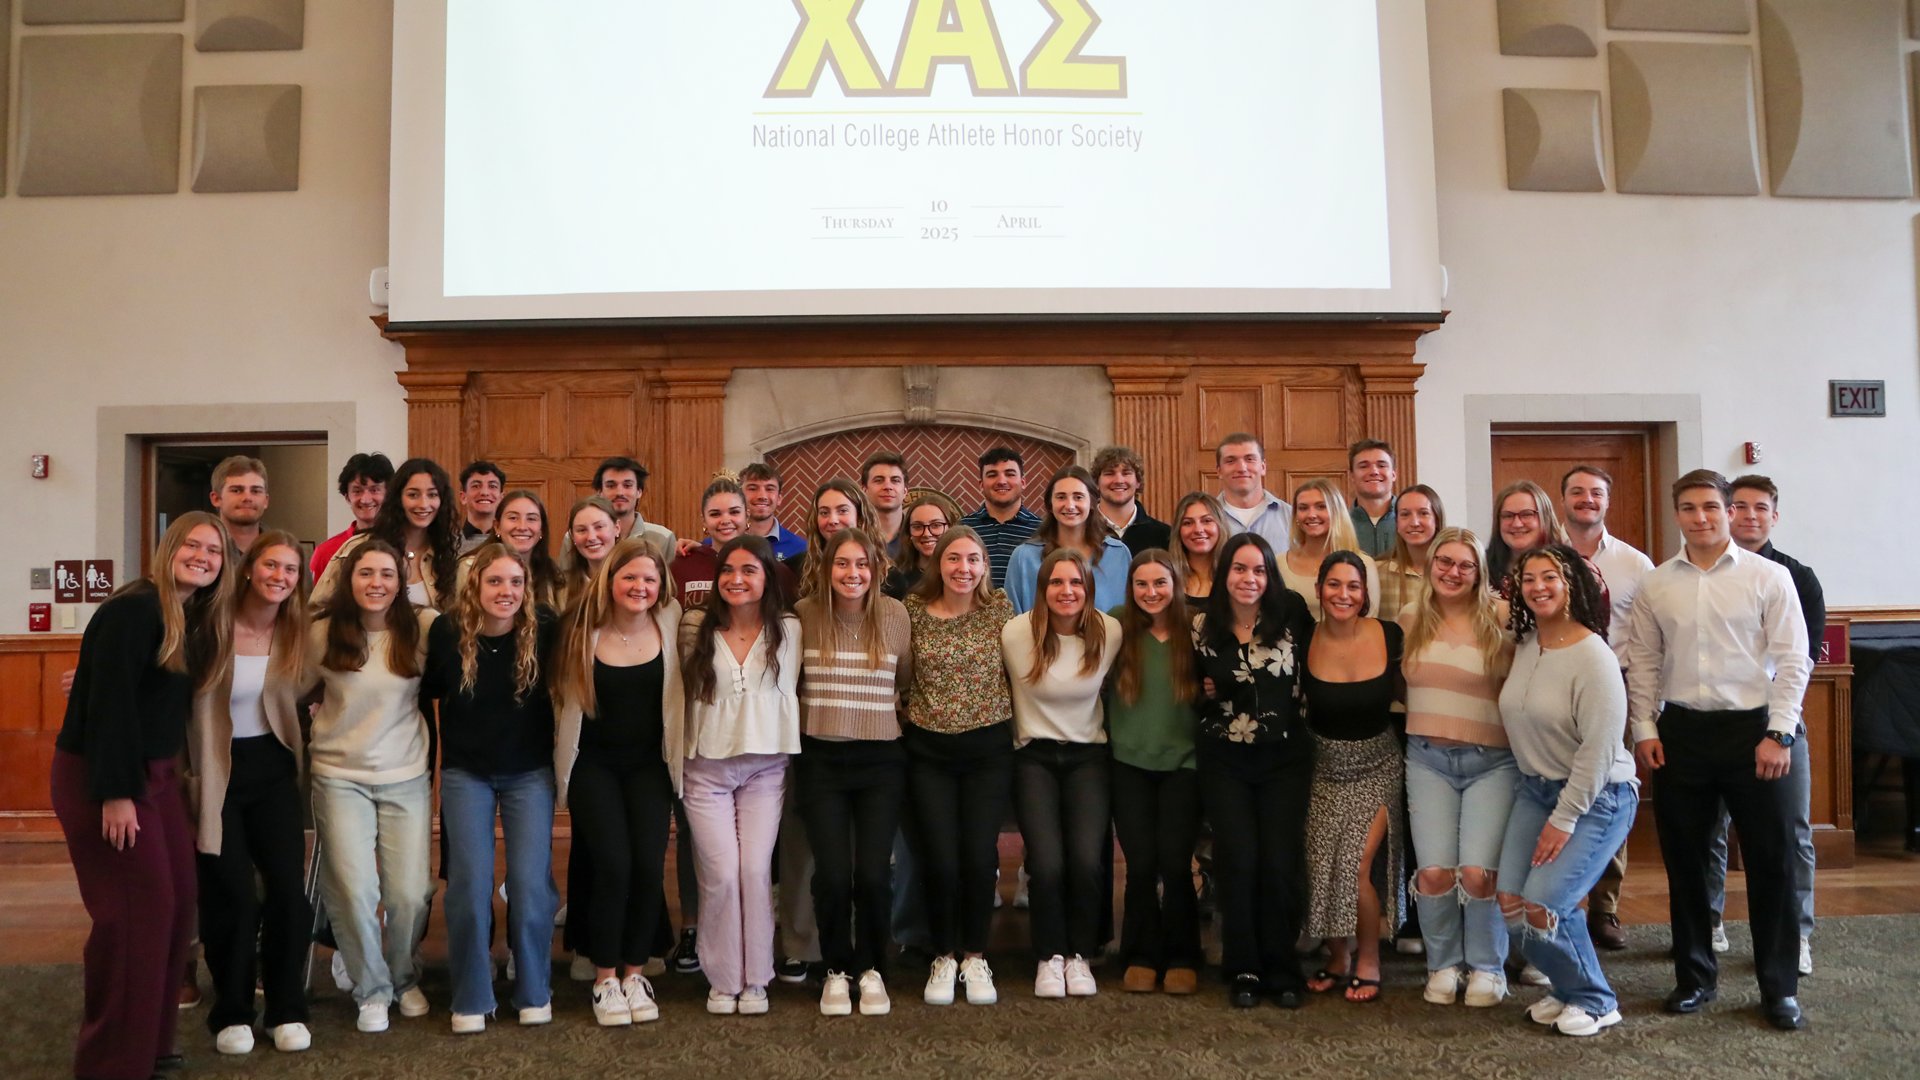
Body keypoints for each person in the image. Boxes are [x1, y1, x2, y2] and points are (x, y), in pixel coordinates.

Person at [1628, 470, 1812, 1031]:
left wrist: (1779, 733)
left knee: (1771, 863)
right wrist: (1644, 729)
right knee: (1685, 863)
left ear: (1730, 511)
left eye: (1711, 506)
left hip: (1755, 733)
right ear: (1677, 514)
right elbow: (1644, 661)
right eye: (1688, 508)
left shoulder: (1769, 577)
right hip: (1682, 734)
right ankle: (1694, 979)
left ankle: (1778, 989)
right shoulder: (1657, 583)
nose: (1700, 517)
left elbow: (1794, 660)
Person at [52, 512, 231, 1080]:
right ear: (168, 548)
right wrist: (117, 794)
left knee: (175, 905)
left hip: (154, 778)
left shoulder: (185, 615)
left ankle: (152, 1044)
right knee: (133, 919)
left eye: (215, 550)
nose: (203, 556)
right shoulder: (134, 609)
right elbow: (110, 711)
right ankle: (112, 1064)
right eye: (193, 545)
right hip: (107, 779)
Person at [1497, 546, 1641, 1037]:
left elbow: (1600, 751)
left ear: (1572, 584)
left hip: (1596, 797)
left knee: (1546, 905)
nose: (1538, 586)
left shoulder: (1592, 654)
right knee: (1512, 903)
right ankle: (1565, 985)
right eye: (1528, 578)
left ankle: (1597, 1001)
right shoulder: (1527, 642)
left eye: (1549, 577)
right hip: (1534, 789)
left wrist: (1564, 818)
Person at [420, 543, 561, 1033]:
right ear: (475, 586)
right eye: (495, 582)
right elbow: (426, 691)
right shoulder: (446, 630)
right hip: (466, 773)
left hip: (529, 774)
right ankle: (472, 994)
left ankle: (533, 988)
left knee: (528, 885)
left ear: (527, 588)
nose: (506, 592)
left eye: (515, 583)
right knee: (469, 887)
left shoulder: (544, 627)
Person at [186, 530, 314, 1055]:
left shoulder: (298, 632)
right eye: (271, 566)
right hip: (216, 774)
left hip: (274, 772)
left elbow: (329, 681)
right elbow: (158, 673)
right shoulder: (207, 624)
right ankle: (233, 1012)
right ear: (247, 569)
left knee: (288, 892)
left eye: (290, 570)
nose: (280, 577)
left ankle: (286, 1009)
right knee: (234, 898)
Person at [305, 539, 439, 1034]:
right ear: (349, 579)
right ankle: (372, 989)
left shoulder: (421, 628)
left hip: (405, 777)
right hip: (340, 777)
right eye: (365, 573)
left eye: (386, 574)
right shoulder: (322, 633)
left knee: (408, 894)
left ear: (401, 582)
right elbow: (283, 686)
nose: (376, 583)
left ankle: (404, 978)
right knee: (355, 891)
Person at [552, 537, 685, 1028]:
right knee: (613, 865)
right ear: (610, 579)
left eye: (649, 578)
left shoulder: (672, 624)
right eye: (630, 576)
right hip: (594, 767)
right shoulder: (581, 627)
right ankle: (605, 978)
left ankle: (635, 973)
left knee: (649, 868)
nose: (640, 586)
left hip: (651, 766)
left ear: (661, 585)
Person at [678, 535, 802, 1016]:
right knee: (722, 875)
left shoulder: (790, 629)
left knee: (753, 871)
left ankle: (756, 978)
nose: (736, 579)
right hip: (705, 769)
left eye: (749, 570)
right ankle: (723, 976)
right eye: (728, 570)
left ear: (768, 576)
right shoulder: (695, 627)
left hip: (765, 769)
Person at [1191, 532, 1315, 1009]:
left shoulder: (1292, 615)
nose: (1249, 579)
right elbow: (1192, 688)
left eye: (1259, 569)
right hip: (1224, 759)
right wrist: (1203, 693)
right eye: (1239, 569)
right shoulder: (1203, 624)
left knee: (1279, 862)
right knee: (1237, 860)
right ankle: (1242, 963)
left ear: (1270, 575)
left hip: (1284, 758)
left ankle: (1282, 964)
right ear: (1224, 575)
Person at [794, 529, 912, 1017]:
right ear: (826, 569)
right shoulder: (802, 616)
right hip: (820, 759)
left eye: (861, 564)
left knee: (872, 873)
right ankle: (837, 968)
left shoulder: (895, 615)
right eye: (841, 564)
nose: (852, 574)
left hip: (881, 760)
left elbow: (904, 680)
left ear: (876, 569)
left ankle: (872, 967)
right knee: (834, 874)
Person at [1709, 475, 1824, 976]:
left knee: (1792, 833)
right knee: (1712, 829)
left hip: (1778, 721)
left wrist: (1777, 728)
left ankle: (1795, 932)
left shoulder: (1797, 577)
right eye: (1739, 506)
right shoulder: (1701, 572)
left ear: (1774, 516)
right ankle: (1710, 921)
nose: (1749, 515)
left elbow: (1799, 660)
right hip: (1714, 721)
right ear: (1725, 512)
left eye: (1761, 508)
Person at [1398, 527, 1516, 1008]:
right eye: (1444, 562)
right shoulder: (1410, 618)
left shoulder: (1504, 617)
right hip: (1427, 759)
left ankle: (1488, 967)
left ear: (1479, 572)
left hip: (1492, 761)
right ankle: (1442, 964)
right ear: (1431, 566)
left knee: (1477, 872)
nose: (1452, 572)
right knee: (1433, 873)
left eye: (1465, 565)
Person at [902, 526, 1014, 1007]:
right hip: (928, 753)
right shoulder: (912, 612)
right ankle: (943, 955)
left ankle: (975, 955)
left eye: (973, 559)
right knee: (941, 860)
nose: (963, 568)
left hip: (988, 752)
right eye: (953, 559)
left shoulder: (1001, 612)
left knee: (978, 857)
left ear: (985, 566)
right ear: (937, 564)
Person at [1002, 549, 1121, 999]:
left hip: (1089, 757)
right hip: (1033, 757)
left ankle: (1080, 955)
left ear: (1088, 589)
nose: (1066, 591)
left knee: (1088, 861)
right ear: (1043, 588)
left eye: (1075, 583)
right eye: (1057, 583)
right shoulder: (1016, 633)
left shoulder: (1109, 632)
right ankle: (1049, 956)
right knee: (1047, 863)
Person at [1301, 551, 1405, 1004]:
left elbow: (1413, 691)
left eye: (1353, 586)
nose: (1343, 594)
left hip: (1377, 765)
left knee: (1356, 866)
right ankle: (1337, 956)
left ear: (1365, 594)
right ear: (1320, 590)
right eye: (1334, 585)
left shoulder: (1389, 634)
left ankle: (1369, 960)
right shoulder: (1302, 638)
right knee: (1320, 863)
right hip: (1323, 768)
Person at [1559, 464, 1652, 952]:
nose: (1587, 500)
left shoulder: (1636, 565)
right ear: (1564, 501)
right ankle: (1563, 899)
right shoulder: (1546, 557)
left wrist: (1644, 708)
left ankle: (1605, 906)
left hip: (1614, 688)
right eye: (1577, 492)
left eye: (1595, 493)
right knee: (1556, 791)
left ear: (1607, 502)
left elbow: (1647, 640)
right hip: (1556, 688)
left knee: (1608, 794)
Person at [1106, 550, 1202, 995]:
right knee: (1141, 865)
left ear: (1176, 585)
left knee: (1176, 863)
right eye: (1142, 584)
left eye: (1160, 583)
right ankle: (1140, 953)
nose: (1151, 593)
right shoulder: (1116, 625)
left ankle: (1183, 953)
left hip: (1184, 764)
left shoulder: (1196, 630)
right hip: (1128, 763)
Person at [313, 458, 461, 612]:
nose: (423, 504)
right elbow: (316, 612)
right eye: (413, 495)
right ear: (397, 498)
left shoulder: (448, 554)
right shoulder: (356, 548)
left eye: (432, 495)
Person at [1004, 465, 1132, 614]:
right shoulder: (1024, 558)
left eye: (1078, 497)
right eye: (1061, 497)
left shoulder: (1118, 554)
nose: (1070, 505)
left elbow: (1131, 615)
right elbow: (1011, 619)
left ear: (1091, 502)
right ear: (1050, 505)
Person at [673, 477, 797, 609]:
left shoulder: (773, 568)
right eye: (715, 514)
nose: (726, 520)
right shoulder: (680, 568)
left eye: (734, 512)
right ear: (704, 521)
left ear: (747, 516)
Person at [1278, 480, 1380, 621]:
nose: (1311, 514)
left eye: (1321, 507)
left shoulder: (1364, 564)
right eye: (1303, 508)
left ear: (1336, 512)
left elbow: (1369, 622)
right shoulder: (1278, 563)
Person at [454, 489, 562, 612]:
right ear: (497, 527)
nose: (522, 527)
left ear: (541, 529)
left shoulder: (551, 571)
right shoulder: (471, 567)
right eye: (513, 518)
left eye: (531, 519)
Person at [959, 446, 1041, 590]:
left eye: (1009, 474)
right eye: (992, 475)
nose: (1001, 481)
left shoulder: (1043, 530)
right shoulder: (963, 529)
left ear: (1023, 482)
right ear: (981, 485)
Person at [312, 452, 392, 578]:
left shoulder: (405, 544)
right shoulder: (326, 552)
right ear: (347, 497)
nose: (366, 500)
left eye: (374, 490)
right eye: (357, 491)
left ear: (388, 494)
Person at [1486, 480, 1569, 594]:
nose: (1517, 524)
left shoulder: (1572, 567)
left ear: (1545, 518)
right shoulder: (1480, 570)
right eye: (1507, 516)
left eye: (1527, 514)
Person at [1375, 484, 1443, 623]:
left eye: (1423, 513)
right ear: (1397, 523)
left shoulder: (1451, 573)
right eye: (1405, 514)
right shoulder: (1377, 572)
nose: (1414, 523)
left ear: (1436, 519)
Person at [1213, 433, 1291, 554]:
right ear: (1219, 471)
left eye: (1250, 459)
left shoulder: (1291, 517)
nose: (1241, 468)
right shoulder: (1206, 519)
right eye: (1230, 461)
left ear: (1263, 467)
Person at [1091, 445, 1171, 555]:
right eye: (1109, 473)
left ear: (1138, 481)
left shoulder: (1165, 536)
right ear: (1096, 483)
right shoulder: (1083, 530)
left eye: (1126, 473)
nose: (1119, 480)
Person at [595, 456, 678, 556]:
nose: (620, 492)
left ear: (639, 492)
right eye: (611, 486)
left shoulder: (662, 538)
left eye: (628, 485)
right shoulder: (583, 537)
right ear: (600, 493)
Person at [558, 496, 622, 612]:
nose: (591, 537)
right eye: (582, 530)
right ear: (572, 536)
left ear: (617, 528)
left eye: (599, 527)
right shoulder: (561, 590)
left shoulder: (634, 582)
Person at [895, 490, 960, 594]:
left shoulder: (964, 575)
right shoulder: (895, 580)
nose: (926, 534)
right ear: (909, 533)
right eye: (917, 527)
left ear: (951, 527)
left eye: (936, 525)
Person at [741, 462, 808, 561]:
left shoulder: (800, 549)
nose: (762, 496)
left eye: (769, 489)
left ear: (779, 498)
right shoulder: (717, 545)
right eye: (753, 488)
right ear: (739, 496)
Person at [209, 455, 270, 557]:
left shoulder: (283, 552)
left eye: (256, 491)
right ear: (216, 499)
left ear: (266, 501)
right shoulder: (202, 552)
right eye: (236, 491)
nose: (247, 497)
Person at [1171, 491, 1227, 602]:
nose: (1198, 530)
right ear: (1178, 530)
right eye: (1188, 523)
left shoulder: (1235, 576)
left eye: (1207, 521)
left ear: (1220, 526)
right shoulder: (1167, 578)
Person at [1346, 440, 1399, 558]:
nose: (1374, 471)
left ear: (1394, 474)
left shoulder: (1411, 523)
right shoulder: (1339, 526)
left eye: (1382, 465)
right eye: (1364, 466)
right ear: (1352, 476)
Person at [861, 451, 910, 558]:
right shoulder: (854, 536)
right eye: (879, 480)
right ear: (865, 490)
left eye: (895, 480)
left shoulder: (917, 535)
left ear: (905, 491)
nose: (888, 486)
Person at [456, 461, 507, 554]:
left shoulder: (511, 541)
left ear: (502, 498)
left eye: (492, 486)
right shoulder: (449, 543)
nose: (484, 492)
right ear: (463, 497)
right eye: (476, 486)